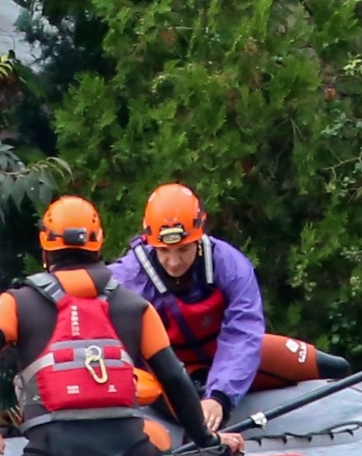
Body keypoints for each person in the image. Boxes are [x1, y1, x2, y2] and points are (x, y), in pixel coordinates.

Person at [0, 196, 245, 456]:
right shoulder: (136, 306)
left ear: (45, 249)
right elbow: (174, 377)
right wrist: (206, 439)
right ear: (98, 244)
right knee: (159, 436)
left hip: (50, 454)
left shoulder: (17, 303)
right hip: (128, 447)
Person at [111, 183, 266, 434]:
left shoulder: (230, 265)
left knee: (325, 365)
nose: (173, 262)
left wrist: (219, 397)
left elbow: (244, 331)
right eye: (164, 251)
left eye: (183, 249)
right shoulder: (127, 277)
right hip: (165, 370)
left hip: (218, 355)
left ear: (199, 237)